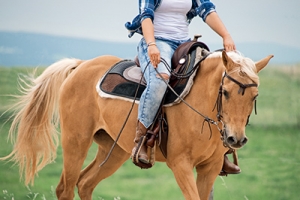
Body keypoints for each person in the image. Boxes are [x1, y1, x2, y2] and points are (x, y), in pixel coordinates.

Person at [125, 0, 240, 174]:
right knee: (160, 80)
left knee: (212, 79)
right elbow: (145, 15)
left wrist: (226, 36)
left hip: (185, 44)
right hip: (157, 43)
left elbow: (207, 10)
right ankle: (141, 140)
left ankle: (221, 150)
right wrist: (151, 44)